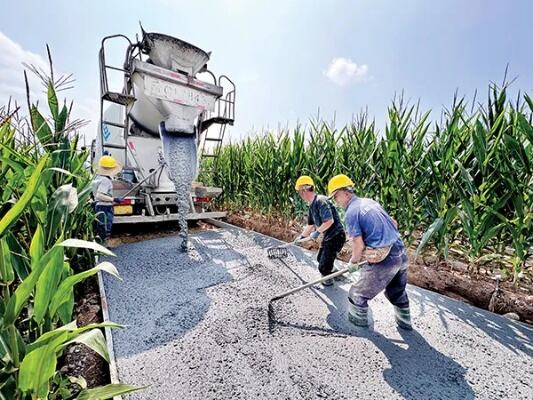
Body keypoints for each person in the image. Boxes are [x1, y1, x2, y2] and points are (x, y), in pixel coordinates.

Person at [327, 174, 412, 329]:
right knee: (397, 292)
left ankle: (359, 329)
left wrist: (353, 262)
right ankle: (405, 322)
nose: (336, 201)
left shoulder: (351, 212)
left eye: (336, 196)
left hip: (385, 260)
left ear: (345, 192)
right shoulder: (369, 201)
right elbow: (394, 223)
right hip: (400, 251)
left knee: (357, 295)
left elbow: (357, 244)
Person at [295, 175, 346, 286]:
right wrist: (301, 238)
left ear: (303, 190)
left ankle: (329, 279)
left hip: (336, 236)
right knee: (320, 258)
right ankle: (333, 271)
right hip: (329, 237)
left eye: (299, 192)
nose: (300, 195)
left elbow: (329, 221)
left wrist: (317, 232)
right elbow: (310, 225)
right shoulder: (312, 206)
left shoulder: (321, 201)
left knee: (323, 267)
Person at [92, 155, 123, 244]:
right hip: (104, 207)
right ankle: (103, 246)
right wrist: (114, 199)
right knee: (105, 227)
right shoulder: (105, 180)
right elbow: (99, 195)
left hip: (98, 206)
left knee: (99, 227)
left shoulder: (97, 178)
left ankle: (100, 245)